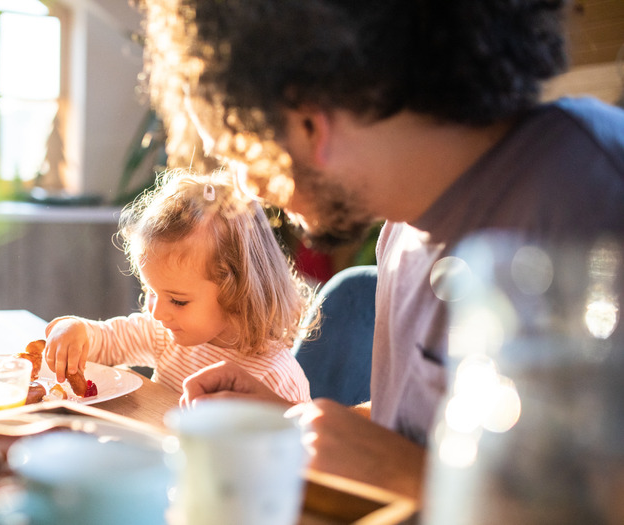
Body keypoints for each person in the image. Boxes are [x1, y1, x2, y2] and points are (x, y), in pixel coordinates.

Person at [137, 0, 624, 502]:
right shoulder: (403, 219)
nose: (249, 187)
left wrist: (415, 477)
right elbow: (422, 426)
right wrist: (289, 423)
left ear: (309, 120)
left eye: (241, 152)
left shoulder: (595, 199)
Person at [43, 169, 317, 405]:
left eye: (177, 301)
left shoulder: (274, 379)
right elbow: (108, 342)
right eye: (151, 292)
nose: (158, 313)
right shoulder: (164, 335)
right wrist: (77, 331)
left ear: (237, 293)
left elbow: (300, 457)